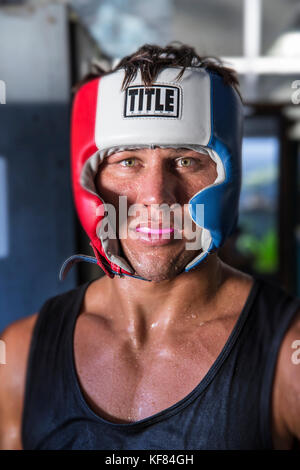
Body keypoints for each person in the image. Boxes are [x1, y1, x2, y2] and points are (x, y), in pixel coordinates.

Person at [0, 43, 300, 450]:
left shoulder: (287, 354)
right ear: (89, 179)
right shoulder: (19, 355)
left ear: (227, 176)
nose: (157, 196)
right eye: (127, 161)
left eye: (186, 161)